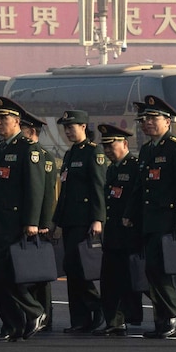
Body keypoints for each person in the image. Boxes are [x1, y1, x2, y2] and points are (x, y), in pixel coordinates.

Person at [123, 95, 176, 339]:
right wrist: (130, 213)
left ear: (167, 121)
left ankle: (172, 316)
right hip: (150, 219)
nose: (147, 123)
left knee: (164, 269)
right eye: (144, 119)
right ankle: (166, 316)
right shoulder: (147, 149)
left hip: (169, 218)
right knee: (153, 270)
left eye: (153, 118)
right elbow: (140, 187)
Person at [0, 96, 46, 343]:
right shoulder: (0, 150)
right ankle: (12, 325)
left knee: (7, 274)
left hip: (15, 223)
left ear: (16, 121)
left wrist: (31, 222)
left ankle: (35, 311)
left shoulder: (28, 150)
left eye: (3, 118)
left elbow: (34, 189)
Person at [53, 110, 106, 335]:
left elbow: (98, 187)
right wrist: (55, 221)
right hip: (70, 219)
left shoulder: (93, 152)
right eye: (65, 127)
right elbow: (64, 192)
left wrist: (97, 218)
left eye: (71, 126)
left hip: (85, 220)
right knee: (72, 270)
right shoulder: (70, 153)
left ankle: (99, 308)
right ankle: (80, 319)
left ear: (83, 126)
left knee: (77, 266)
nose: (67, 131)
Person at [94, 123, 141, 336]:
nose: (107, 151)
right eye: (104, 146)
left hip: (129, 234)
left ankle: (169, 311)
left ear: (124, 143)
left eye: (110, 145)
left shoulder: (134, 166)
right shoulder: (112, 169)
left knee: (135, 279)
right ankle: (114, 320)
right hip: (113, 233)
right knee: (110, 280)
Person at [19, 109, 57, 332]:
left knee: (39, 275)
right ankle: (34, 315)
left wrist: (43, 223)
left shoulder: (43, 156)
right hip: (28, 220)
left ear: (31, 132)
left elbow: (46, 193)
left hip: (40, 224)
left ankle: (46, 316)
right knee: (28, 271)